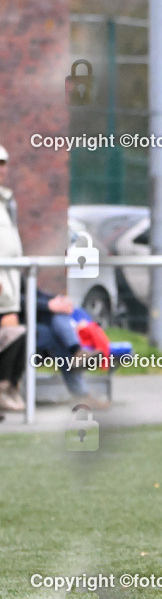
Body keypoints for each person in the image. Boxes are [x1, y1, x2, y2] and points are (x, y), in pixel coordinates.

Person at [0, 143, 24, 410]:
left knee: (14, 331)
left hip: (10, 283)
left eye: (2, 163)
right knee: (12, 329)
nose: (1, 170)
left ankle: (7, 387)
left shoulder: (6, 200)